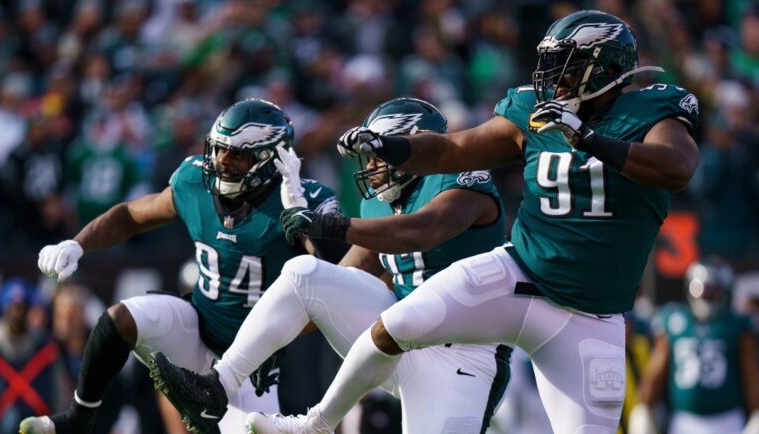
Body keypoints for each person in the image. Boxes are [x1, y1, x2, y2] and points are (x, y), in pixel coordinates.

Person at [247, 10, 701, 434]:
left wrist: (587, 138)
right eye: (552, 63)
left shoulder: (653, 110)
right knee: (394, 326)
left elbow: (675, 167)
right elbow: (452, 149)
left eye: (567, 65)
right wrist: (390, 148)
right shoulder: (530, 111)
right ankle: (316, 423)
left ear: (605, 68)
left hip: (589, 314)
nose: (553, 77)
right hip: (520, 272)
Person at [147, 97, 513, 434]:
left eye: (379, 155)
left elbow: (421, 231)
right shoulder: (379, 203)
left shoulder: (463, 176)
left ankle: (315, 424)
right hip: (398, 342)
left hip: (464, 355)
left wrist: (330, 224)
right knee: (305, 274)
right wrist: (269, 343)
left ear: (416, 145)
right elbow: (340, 277)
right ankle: (217, 387)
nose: (371, 168)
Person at [19, 99, 342, 434]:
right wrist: (78, 243)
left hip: (250, 362)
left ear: (270, 159)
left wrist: (300, 218)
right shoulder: (195, 182)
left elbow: (325, 283)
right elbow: (132, 215)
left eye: (236, 154)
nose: (222, 162)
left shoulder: (305, 200)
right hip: (195, 325)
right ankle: (79, 418)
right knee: (120, 319)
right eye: (219, 150)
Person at [630, 258, 759, 434]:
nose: (706, 296)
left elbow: (751, 375)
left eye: (713, 292)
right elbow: (656, 372)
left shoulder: (738, 325)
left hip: (727, 419)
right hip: (683, 421)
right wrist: (645, 406)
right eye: (701, 290)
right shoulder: (675, 321)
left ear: (726, 291)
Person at [0, 278, 68, 434]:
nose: (17, 314)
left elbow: (59, 396)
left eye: (22, 308)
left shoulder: (46, 349)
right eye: (12, 307)